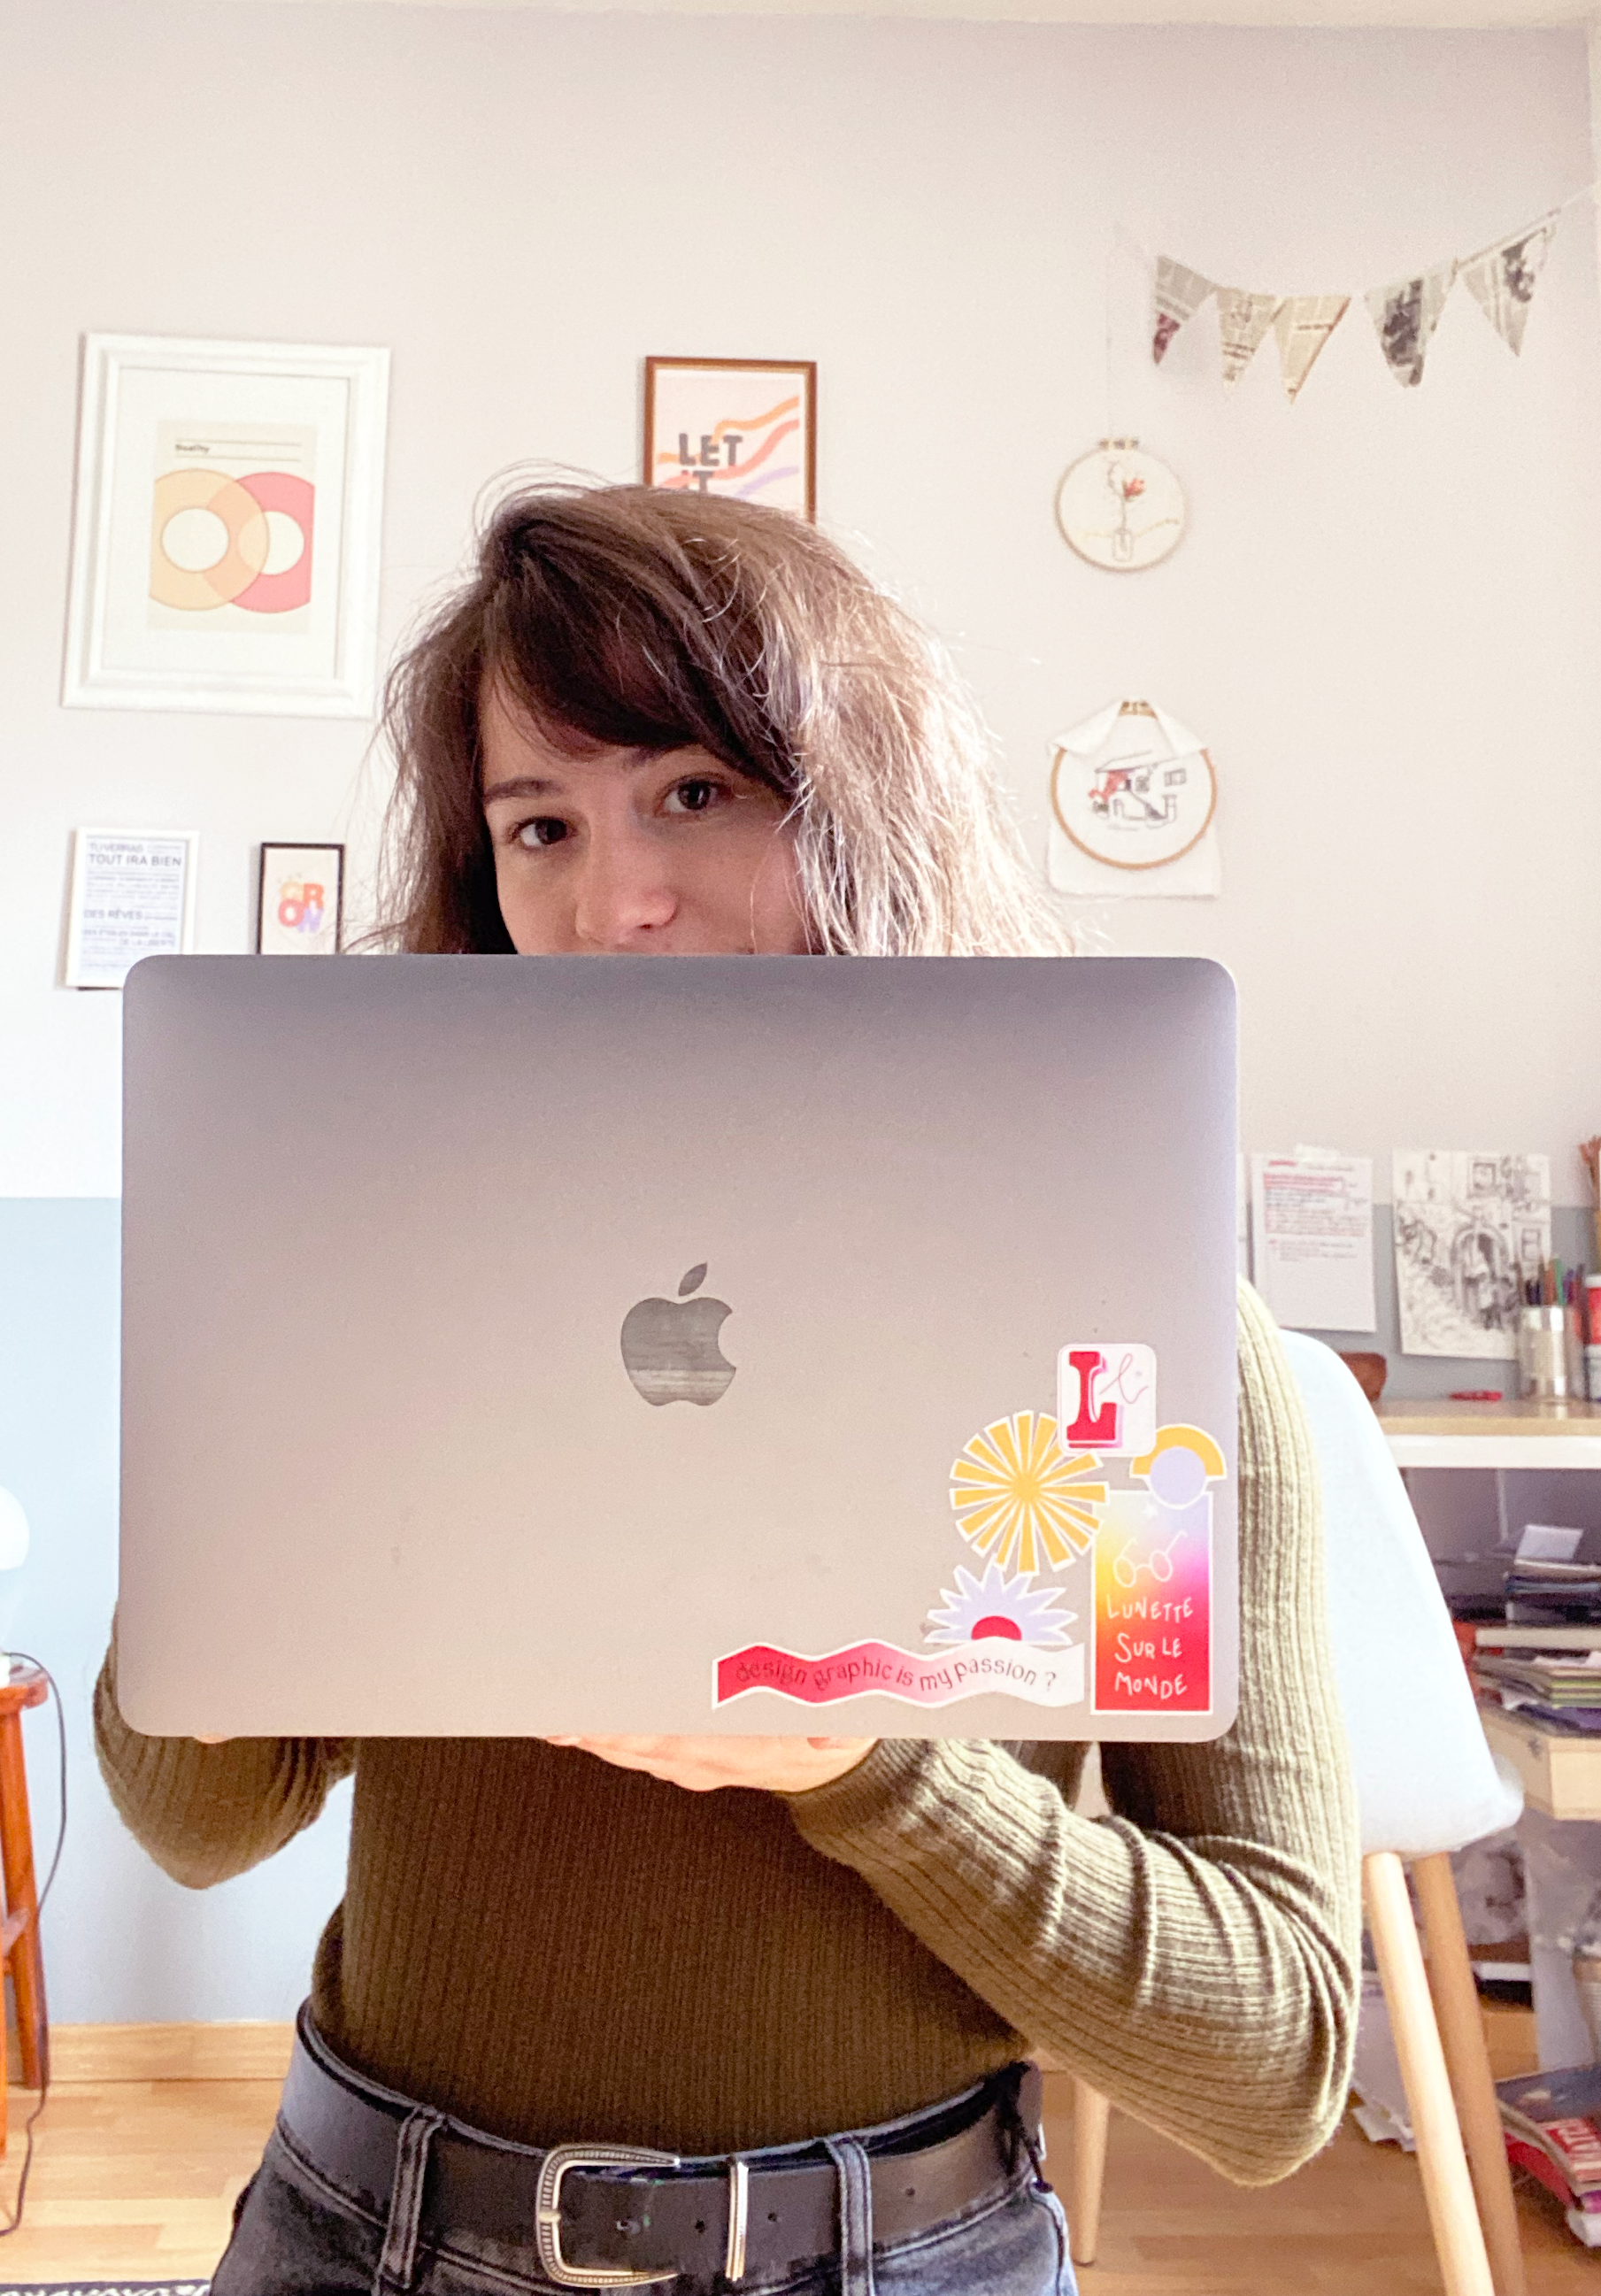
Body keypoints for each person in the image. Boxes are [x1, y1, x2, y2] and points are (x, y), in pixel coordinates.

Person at [96, 482, 1360, 2296]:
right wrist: (239, 1474)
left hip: (900, 2251)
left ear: (857, 802)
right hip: (369, 2224)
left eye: (693, 791)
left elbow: (1276, 2058)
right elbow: (198, 1822)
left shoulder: (1114, 1337)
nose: (614, 901)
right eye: (539, 824)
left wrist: (872, 1764)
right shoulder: (403, 1259)